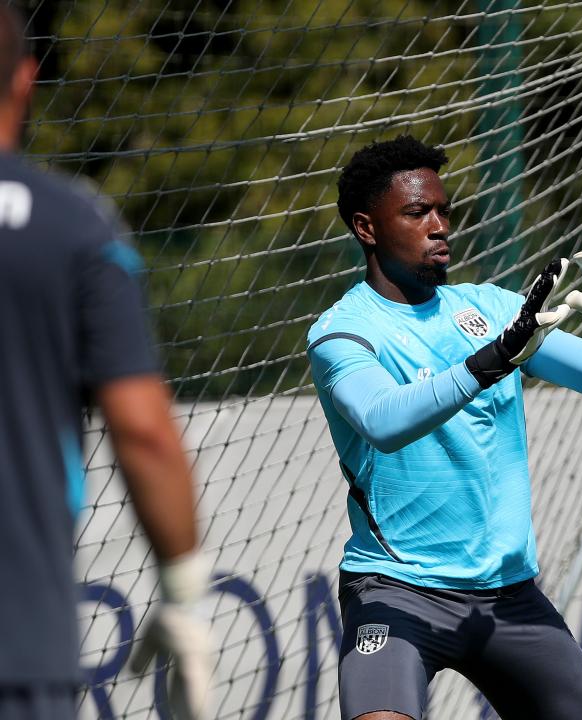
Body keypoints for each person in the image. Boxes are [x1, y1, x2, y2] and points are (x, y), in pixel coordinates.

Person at [308, 135, 582, 720]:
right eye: (416, 212)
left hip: (508, 597)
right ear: (366, 228)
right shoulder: (341, 333)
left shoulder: (496, 310)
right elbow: (383, 421)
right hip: (396, 590)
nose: (438, 225)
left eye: (443, 211)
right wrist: (490, 362)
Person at [0, 6, 211, 719]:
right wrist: (184, 591)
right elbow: (144, 431)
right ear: (26, 80)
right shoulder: (74, 226)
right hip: (19, 646)